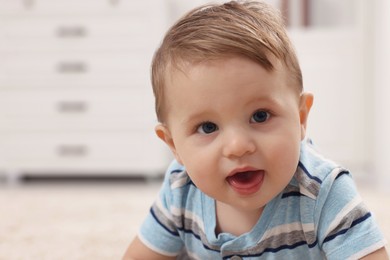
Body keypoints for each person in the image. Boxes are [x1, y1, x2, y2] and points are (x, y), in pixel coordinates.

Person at [123, 1, 388, 259]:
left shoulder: (324, 192)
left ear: (300, 118)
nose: (238, 145)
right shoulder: (180, 188)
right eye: (208, 127)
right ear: (173, 145)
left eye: (260, 116)